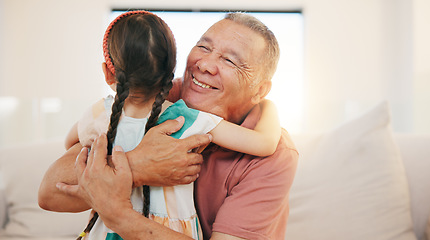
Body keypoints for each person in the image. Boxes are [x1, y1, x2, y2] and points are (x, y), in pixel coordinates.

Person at [39, 12, 299, 240]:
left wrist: (118, 214)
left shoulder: (276, 155)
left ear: (260, 91)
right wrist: (139, 164)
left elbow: (264, 145)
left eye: (230, 61)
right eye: (203, 47)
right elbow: (50, 191)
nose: (205, 65)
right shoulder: (159, 97)